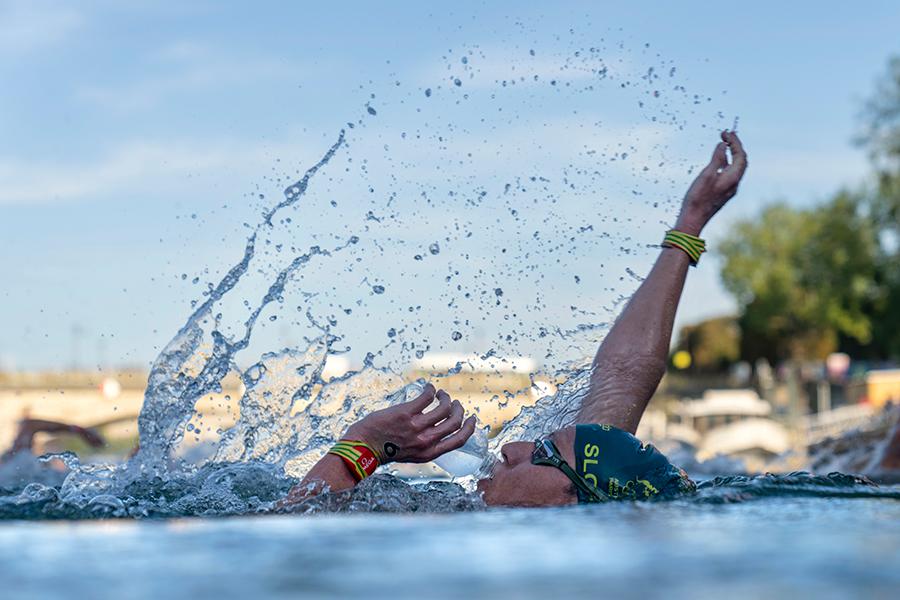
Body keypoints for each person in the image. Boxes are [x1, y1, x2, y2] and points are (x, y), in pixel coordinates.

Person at [280, 130, 748, 508]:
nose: (511, 448)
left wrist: (364, 444)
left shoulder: (472, 545)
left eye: (542, 454)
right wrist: (690, 223)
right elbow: (623, 376)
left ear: (570, 500)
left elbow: (284, 534)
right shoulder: (577, 504)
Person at [0, 417, 105, 464]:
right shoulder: (11, 465)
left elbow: (30, 425)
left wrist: (80, 430)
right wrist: (81, 431)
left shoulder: (11, 463)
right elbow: (30, 425)